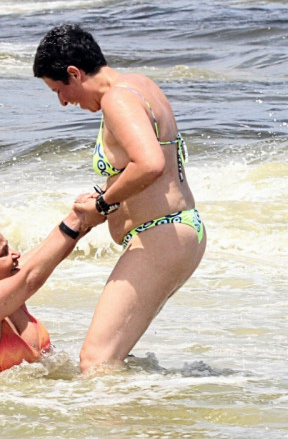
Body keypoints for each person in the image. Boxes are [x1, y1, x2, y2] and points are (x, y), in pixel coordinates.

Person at [33, 24, 206, 374]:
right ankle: (151, 424)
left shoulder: (117, 99)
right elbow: (155, 166)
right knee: (113, 357)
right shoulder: (140, 84)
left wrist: (103, 205)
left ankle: (120, 429)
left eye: (59, 90)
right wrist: (106, 196)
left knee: (95, 361)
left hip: (161, 235)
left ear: (74, 73)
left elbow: (151, 164)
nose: (64, 102)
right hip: (178, 231)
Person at [0, 202, 97, 387]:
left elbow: (48, 254)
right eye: (4, 253)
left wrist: (87, 215)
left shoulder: (6, 280)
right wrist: (74, 220)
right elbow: (32, 278)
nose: (16, 254)